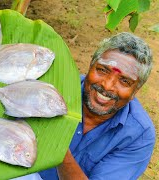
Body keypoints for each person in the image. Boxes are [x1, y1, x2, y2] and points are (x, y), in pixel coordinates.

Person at [15, 32, 156, 180]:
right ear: (90, 66)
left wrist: (59, 147)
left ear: (135, 91)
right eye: (102, 70)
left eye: (124, 81)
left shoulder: (139, 135)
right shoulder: (53, 90)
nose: (107, 86)